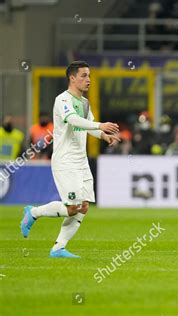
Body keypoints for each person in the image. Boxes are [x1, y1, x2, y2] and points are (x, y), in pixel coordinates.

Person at [20, 61, 121, 258]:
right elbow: (73, 119)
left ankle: (59, 248)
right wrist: (101, 125)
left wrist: (103, 136)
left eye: (89, 75)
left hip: (81, 161)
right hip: (65, 161)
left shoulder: (84, 102)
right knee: (72, 208)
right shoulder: (62, 100)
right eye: (84, 75)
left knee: (83, 207)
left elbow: (88, 125)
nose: (88, 80)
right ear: (72, 78)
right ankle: (33, 213)